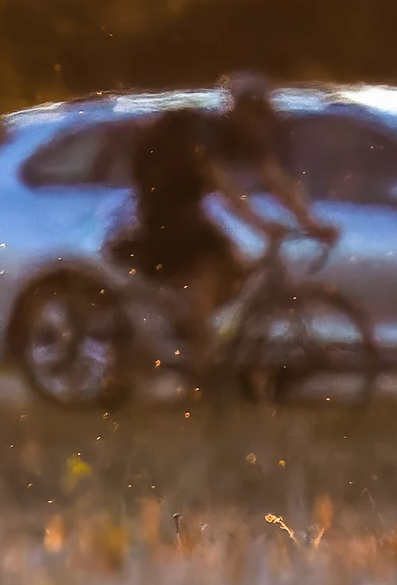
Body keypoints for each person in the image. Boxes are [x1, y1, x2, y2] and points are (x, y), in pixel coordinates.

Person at [110, 72, 339, 377]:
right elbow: (222, 183)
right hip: (161, 206)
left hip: (187, 206)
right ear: (240, 111)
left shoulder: (245, 137)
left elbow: (275, 178)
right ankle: (199, 367)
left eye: (264, 118)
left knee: (232, 270)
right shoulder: (205, 132)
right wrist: (260, 223)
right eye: (257, 116)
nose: (262, 125)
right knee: (206, 274)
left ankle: (188, 324)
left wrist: (311, 223)